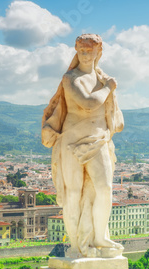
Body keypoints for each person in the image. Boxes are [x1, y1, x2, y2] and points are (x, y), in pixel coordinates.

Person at [41, 34, 124, 257]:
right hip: (71, 142)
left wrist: (108, 87)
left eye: (90, 51)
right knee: (73, 193)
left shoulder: (102, 79)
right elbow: (88, 104)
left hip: (98, 140)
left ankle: (100, 238)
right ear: (76, 51)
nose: (86, 55)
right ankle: (77, 246)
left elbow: (118, 122)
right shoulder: (70, 78)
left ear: (99, 52)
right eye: (82, 51)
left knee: (104, 189)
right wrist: (109, 88)